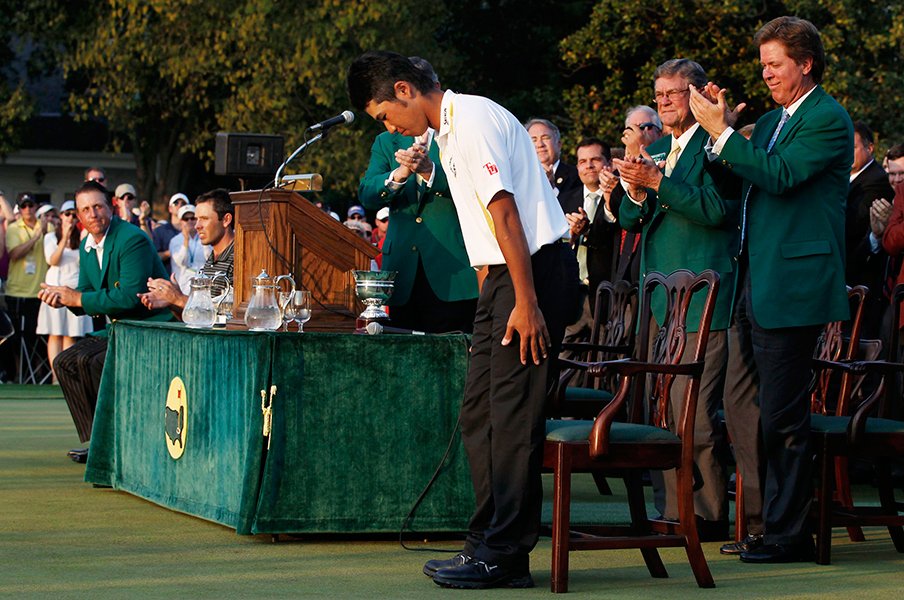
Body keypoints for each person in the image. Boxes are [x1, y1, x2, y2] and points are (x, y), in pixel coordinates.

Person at [348, 50, 578, 589]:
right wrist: (494, 299)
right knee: (479, 415)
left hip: (533, 273)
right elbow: (482, 229)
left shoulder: (470, 119)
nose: (389, 127)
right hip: (503, 280)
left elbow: (505, 213)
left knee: (512, 418)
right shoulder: (448, 132)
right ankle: (484, 543)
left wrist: (524, 302)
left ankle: (506, 555)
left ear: (405, 90)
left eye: (385, 115)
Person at [689, 15, 852, 563]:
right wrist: (720, 138)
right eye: (762, 66)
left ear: (805, 64)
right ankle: (764, 524)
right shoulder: (774, 119)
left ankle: (788, 534)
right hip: (754, 280)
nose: (765, 74)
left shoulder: (827, 118)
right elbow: (742, 179)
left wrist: (722, 134)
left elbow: (780, 177)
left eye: (775, 64)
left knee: (783, 416)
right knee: (749, 412)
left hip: (793, 285)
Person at [614, 58, 740, 542]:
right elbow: (628, 219)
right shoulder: (658, 147)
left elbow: (715, 210)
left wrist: (659, 183)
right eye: (659, 93)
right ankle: (670, 510)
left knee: (696, 412)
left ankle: (705, 515)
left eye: (674, 92)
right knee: (662, 410)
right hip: (660, 302)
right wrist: (635, 186)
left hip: (705, 299)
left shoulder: (716, 147)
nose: (665, 100)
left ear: (697, 95)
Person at [38, 181, 172, 456]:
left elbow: (129, 298)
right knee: (64, 361)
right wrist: (64, 298)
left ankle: (114, 443)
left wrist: (77, 298)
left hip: (152, 327)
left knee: (95, 361)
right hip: (121, 329)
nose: (92, 214)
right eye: (85, 209)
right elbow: (86, 294)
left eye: (98, 206)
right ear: (78, 215)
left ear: (110, 207)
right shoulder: (87, 245)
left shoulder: (132, 238)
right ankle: (100, 441)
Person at [357, 56, 478, 333]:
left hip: (455, 266)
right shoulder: (386, 141)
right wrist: (398, 175)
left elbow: (474, 186)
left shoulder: (458, 131)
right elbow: (367, 194)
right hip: (403, 271)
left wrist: (428, 172)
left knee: (456, 352)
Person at [558, 137, 625, 340]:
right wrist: (572, 235)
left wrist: (589, 231)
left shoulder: (623, 197)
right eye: (582, 161)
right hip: (571, 293)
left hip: (608, 293)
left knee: (604, 360)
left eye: (595, 159)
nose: (588, 166)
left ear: (609, 164)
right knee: (565, 361)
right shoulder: (563, 199)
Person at [140, 188, 235, 315]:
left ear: (226, 220)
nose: (197, 226)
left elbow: (230, 317)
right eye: (197, 219)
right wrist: (172, 303)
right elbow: (200, 317)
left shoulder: (240, 258)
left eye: (204, 218)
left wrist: (178, 298)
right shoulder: (212, 259)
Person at [845, 122, 895, 339]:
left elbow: (853, 224)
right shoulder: (845, 178)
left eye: (853, 147)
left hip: (861, 274)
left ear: (870, 148)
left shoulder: (877, 181)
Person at [36, 200, 93, 381]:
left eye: (73, 214)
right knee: (55, 333)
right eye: (66, 214)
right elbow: (53, 260)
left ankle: (65, 376)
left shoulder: (83, 236)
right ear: (61, 216)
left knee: (70, 334)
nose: (70, 217)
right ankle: (55, 377)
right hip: (54, 288)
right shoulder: (51, 237)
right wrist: (64, 238)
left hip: (73, 291)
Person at [5, 192, 49, 379]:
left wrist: (45, 233)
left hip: (39, 292)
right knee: (16, 338)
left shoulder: (48, 227)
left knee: (37, 338)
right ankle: (18, 375)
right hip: (17, 290)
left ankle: (39, 376)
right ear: (19, 209)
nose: (28, 209)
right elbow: (15, 254)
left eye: (31, 205)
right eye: (24, 206)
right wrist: (36, 237)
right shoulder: (14, 228)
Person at [525, 118, 581, 197]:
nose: (540, 144)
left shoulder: (576, 176)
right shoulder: (521, 178)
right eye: (534, 140)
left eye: (545, 138)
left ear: (559, 144)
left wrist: (552, 188)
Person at [167, 204, 209, 294]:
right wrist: (186, 241)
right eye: (186, 219)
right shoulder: (175, 241)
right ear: (181, 221)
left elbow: (210, 258)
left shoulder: (206, 237)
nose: (190, 221)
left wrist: (203, 239)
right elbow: (182, 262)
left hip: (203, 287)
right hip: (182, 288)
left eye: (192, 218)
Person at [153, 192, 189, 271]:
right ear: (170, 209)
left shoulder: (195, 232)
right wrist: (171, 252)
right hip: (167, 278)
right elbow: (153, 257)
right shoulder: (160, 231)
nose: (179, 205)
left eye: (183, 203)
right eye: (176, 203)